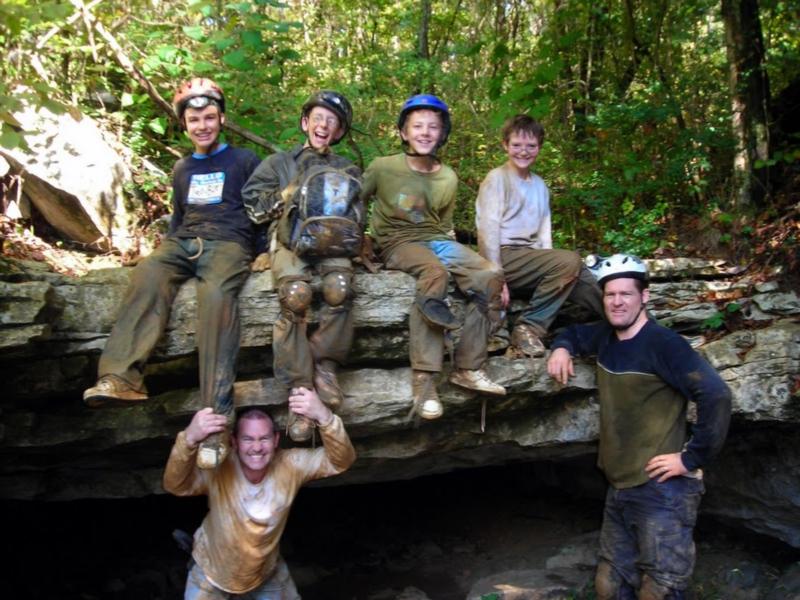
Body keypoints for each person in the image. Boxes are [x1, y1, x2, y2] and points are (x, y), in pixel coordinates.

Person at [84, 77, 260, 470]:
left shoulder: (244, 160)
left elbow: (263, 210)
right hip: (182, 241)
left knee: (214, 299)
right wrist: (167, 247)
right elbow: (179, 218)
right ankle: (122, 378)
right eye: (194, 119)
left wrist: (264, 251)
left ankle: (216, 420)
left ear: (222, 119)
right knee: (146, 274)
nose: (203, 126)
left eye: (210, 117)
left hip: (229, 242)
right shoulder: (182, 169)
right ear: (184, 125)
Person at [546, 254, 731, 600]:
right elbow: (573, 333)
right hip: (619, 485)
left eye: (626, 294)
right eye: (610, 295)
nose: (617, 302)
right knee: (610, 583)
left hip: (662, 489)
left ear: (644, 297)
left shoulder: (664, 344)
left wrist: (691, 459)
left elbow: (716, 395)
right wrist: (561, 347)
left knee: (659, 587)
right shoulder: (607, 336)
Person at [361, 94, 506, 421]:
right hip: (396, 241)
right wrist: (359, 239)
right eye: (417, 126)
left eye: (433, 127)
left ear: (442, 133)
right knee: (434, 272)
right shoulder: (383, 167)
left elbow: (443, 224)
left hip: (437, 239)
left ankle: (468, 366)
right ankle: (424, 379)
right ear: (403, 132)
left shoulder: (448, 177)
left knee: (490, 275)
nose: (425, 132)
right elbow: (354, 201)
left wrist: (465, 262)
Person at [242, 91, 362, 442]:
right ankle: (299, 392)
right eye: (318, 118)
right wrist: (287, 194)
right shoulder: (278, 163)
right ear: (305, 122)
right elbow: (253, 209)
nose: (324, 125)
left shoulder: (347, 169)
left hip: (333, 245)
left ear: (338, 132)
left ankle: (325, 368)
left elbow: (357, 215)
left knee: (339, 287)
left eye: (332, 121)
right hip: (290, 242)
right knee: (295, 295)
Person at [164, 386, 356, 599]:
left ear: (275, 441)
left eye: (264, 439)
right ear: (234, 442)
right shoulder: (220, 468)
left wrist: (324, 415)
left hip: (265, 571)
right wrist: (188, 438)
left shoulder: (291, 464)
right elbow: (176, 485)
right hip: (211, 570)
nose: (257, 447)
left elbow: (340, 462)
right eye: (248, 439)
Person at [475, 114, 603, 358]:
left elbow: (545, 236)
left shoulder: (540, 185)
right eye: (516, 145)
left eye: (531, 146)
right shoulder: (497, 178)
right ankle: (528, 327)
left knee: (589, 281)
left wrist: (558, 267)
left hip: (532, 260)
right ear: (505, 145)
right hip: (503, 257)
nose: (523, 151)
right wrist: (496, 277)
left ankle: (642, 328)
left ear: (539, 148)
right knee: (570, 260)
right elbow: (487, 231)